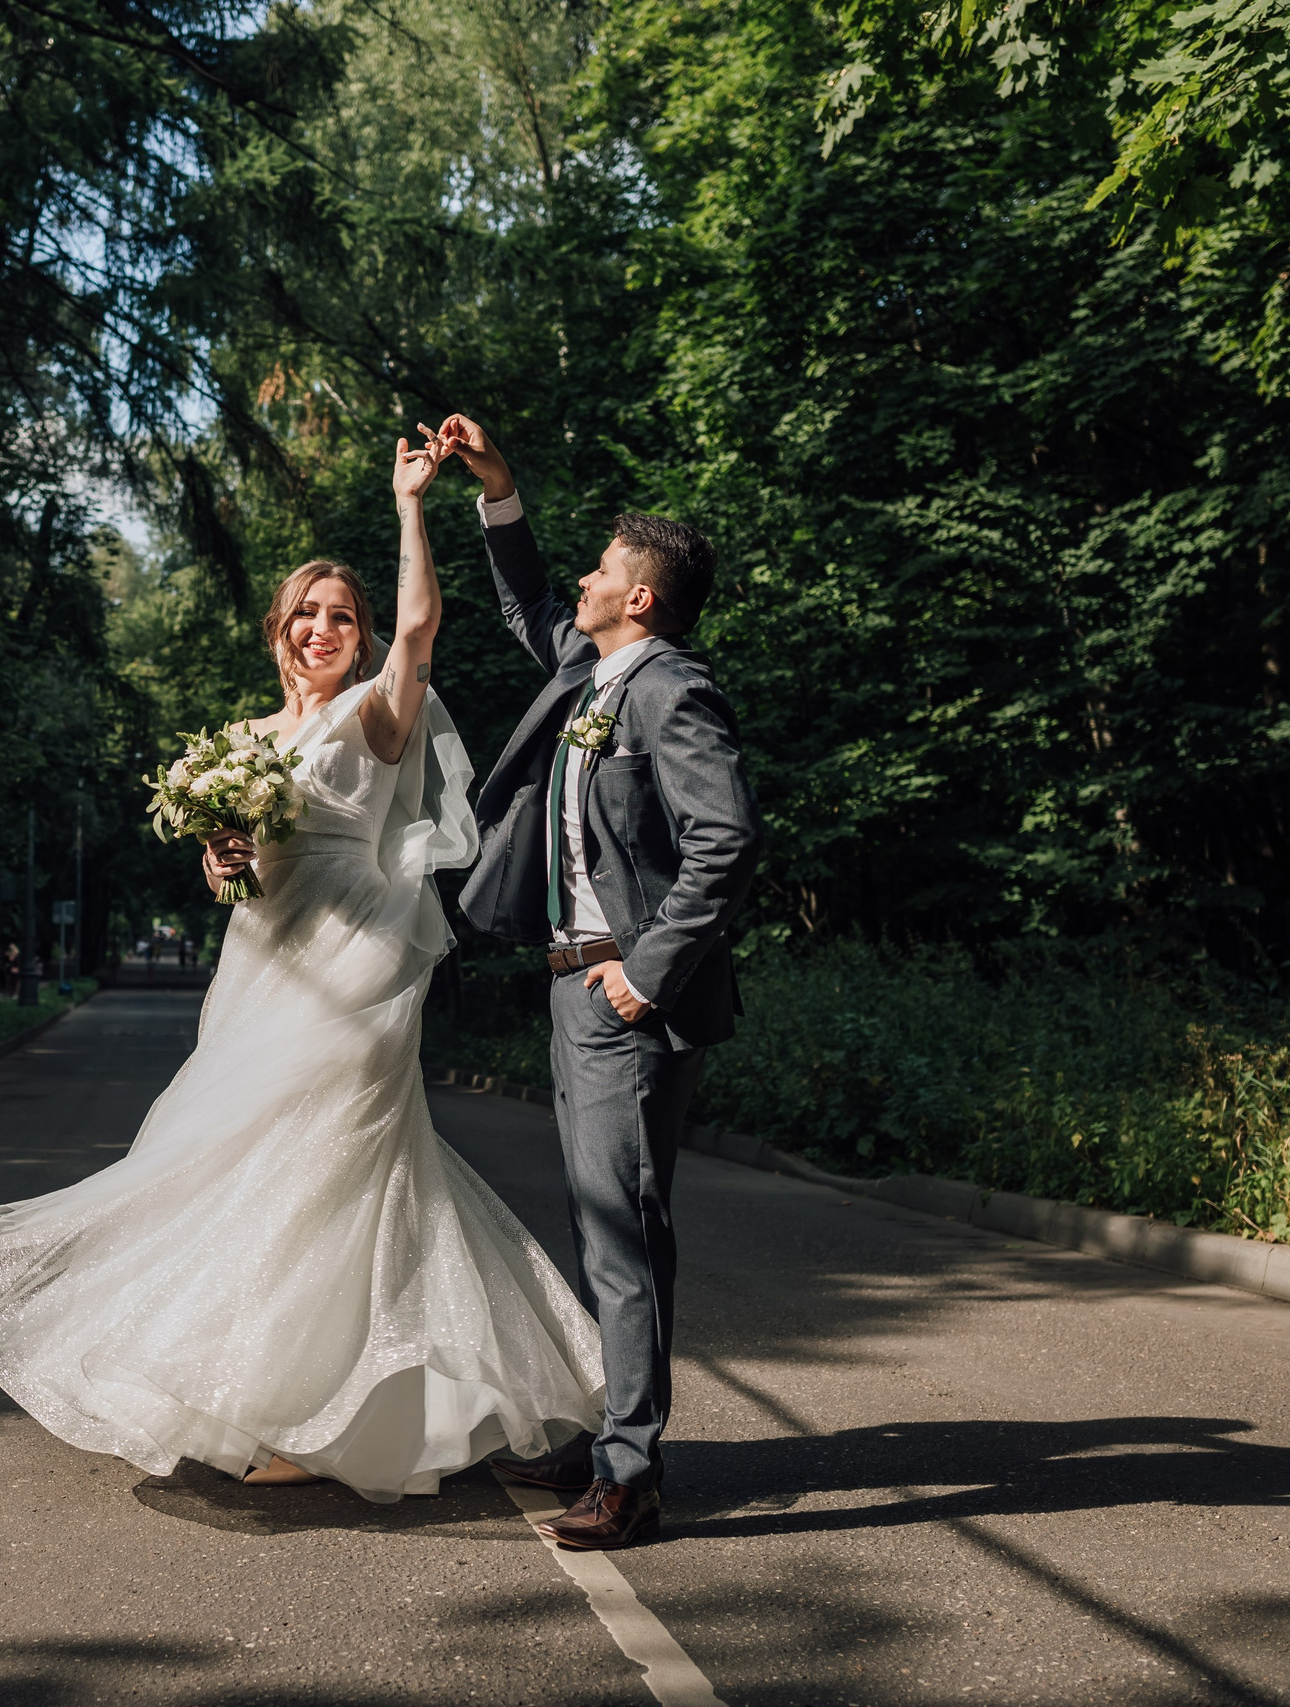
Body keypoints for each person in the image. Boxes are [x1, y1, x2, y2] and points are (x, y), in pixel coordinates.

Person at [0, 434, 604, 1502]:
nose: (324, 629)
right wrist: (222, 856)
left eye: (342, 616)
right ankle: (296, 1396)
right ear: (280, 632)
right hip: (264, 961)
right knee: (260, 1163)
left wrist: (410, 507)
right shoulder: (244, 740)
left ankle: (316, 1414)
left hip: (365, 956)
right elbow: (235, 880)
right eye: (308, 614)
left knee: (329, 1151)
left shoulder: (376, 714)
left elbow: (424, 623)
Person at [433, 413, 762, 1550]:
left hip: (626, 1000)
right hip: (573, 989)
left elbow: (724, 841)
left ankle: (631, 1474)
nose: (585, 576)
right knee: (597, 1220)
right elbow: (531, 605)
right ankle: (609, 1432)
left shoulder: (672, 690)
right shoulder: (594, 671)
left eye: (603, 570)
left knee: (624, 1230)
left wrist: (647, 975)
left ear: (643, 601)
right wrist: (496, 489)